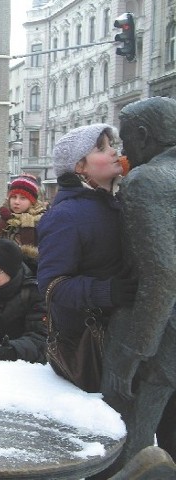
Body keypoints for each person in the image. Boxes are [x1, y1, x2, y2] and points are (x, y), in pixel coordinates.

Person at [98, 97, 176, 474]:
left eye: (126, 140)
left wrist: (135, 351)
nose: (123, 151)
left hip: (153, 334)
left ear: (144, 134)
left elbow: (161, 273)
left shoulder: (147, 181)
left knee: (129, 441)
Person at [37, 124, 135, 391]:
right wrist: (107, 291)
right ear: (80, 166)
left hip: (123, 333)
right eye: (102, 148)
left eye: (112, 145)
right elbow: (50, 285)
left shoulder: (115, 202)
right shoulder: (66, 215)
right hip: (91, 345)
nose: (115, 152)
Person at [0, 175, 46, 272]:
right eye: (14, 197)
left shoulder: (41, 222)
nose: (16, 202)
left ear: (32, 201)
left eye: (23, 198)